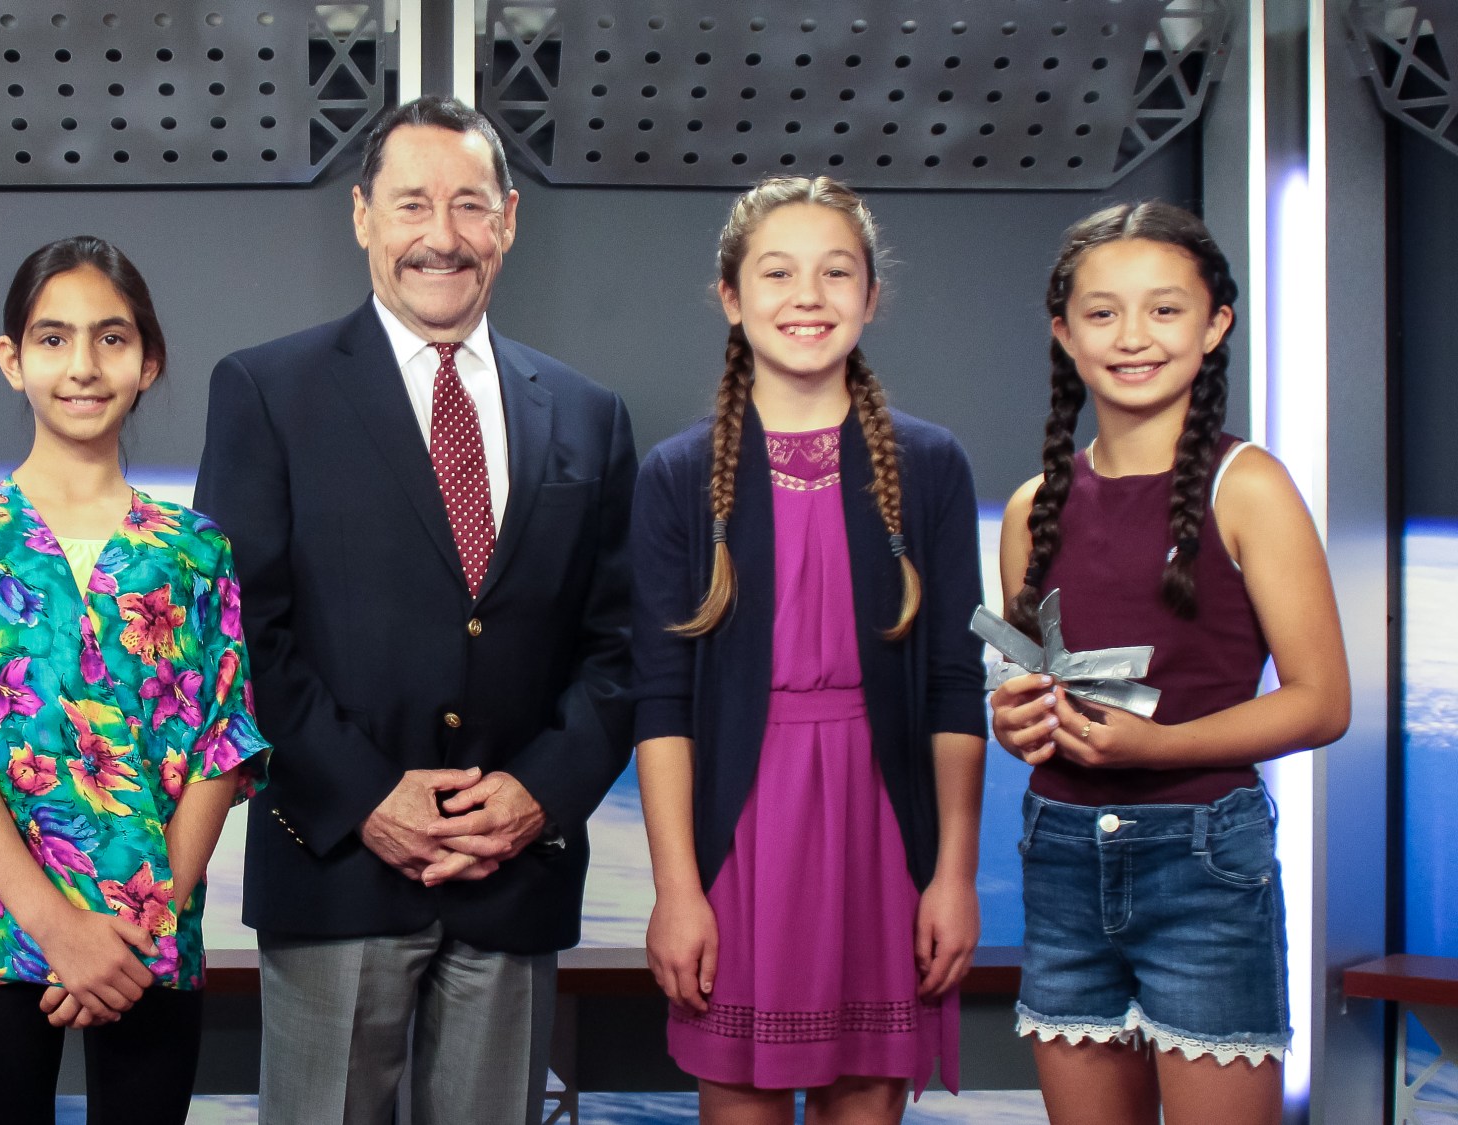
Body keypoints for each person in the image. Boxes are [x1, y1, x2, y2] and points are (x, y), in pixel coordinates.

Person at [193, 94, 636, 1125]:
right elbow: (240, 633)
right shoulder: (266, 391)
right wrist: (364, 797)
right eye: (410, 205)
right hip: (335, 866)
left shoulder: (586, 413)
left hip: (512, 877)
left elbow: (618, 647)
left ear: (509, 220)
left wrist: (537, 793)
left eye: (469, 206)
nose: (441, 237)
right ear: (361, 216)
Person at [0, 236, 268, 1125]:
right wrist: (58, 928)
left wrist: (136, 926)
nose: (82, 365)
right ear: (12, 360)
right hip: (1, 932)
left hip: (153, 938)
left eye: (111, 338)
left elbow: (222, 744)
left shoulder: (195, 548)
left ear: (149, 360)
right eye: (53, 339)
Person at [630, 176, 987, 1122]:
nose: (808, 296)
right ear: (731, 297)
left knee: (866, 1096)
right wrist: (677, 890)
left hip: (883, 833)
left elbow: (955, 687)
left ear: (871, 298)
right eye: (777, 272)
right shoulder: (676, 475)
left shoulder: (931, 465)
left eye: (837, 273)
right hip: (739, 837)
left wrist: (952, 875)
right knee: (738, 1094)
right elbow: (661, 701)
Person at [989, 201, 1349, 1125]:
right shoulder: (1034, 506)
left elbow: (1321, 702)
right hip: (1060, 854)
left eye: (1165, 308)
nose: (1134, 336)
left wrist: (1159, 746)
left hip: (1206, 860)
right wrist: (1016, 719)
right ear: (1064, 332)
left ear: (1216, 323)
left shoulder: (1252, 485)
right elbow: (1032, 687)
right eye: (1103, 312)